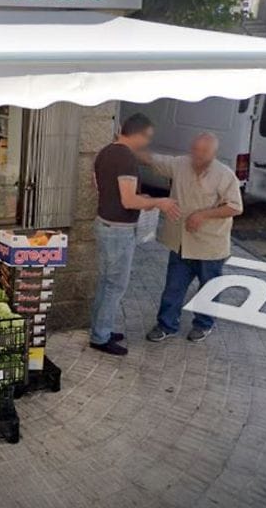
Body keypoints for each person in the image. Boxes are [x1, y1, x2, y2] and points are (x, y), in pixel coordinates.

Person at [89, 113, 181, 356]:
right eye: (147, 137)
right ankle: (100, 337)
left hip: (105, 224)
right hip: (118, 230)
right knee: (114, 285)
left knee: (106, 283)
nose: (147, 143)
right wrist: (159, 202)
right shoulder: (126, 158)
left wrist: (144, 199)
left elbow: (103, 188)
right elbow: (128, 201)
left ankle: (100, 329)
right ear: (138, 134)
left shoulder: (106, 151)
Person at [139, 132, 243, 343]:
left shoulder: (224, 174)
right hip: (181, 242)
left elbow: (235, 207)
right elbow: (152, 159)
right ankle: (166, 325)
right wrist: (127, 144)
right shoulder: (180, 164)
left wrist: (202, 215)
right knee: (173, 287)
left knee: (208, 289)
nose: (198, 155)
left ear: (214, 153)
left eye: (204, 151)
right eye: (195, 149)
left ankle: (204, 324)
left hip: (210, 245)